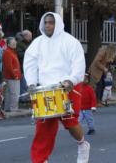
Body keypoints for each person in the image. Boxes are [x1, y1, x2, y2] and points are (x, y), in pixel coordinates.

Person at [24, 12, 90, 163]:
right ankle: (40, 159)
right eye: (46, 22)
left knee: (70, 121)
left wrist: (71, 80)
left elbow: (78, 64)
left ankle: (82, 144)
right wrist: (32, 84)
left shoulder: (70, 41)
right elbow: (30, 65)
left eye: (51, 22)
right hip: (45, 89)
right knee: (43, 128)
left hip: (67, 87)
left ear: (58, 24)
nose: (48, 25)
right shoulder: (37, 43)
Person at [2, 37, 21, 112]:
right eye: (13, 43)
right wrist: (15, 76)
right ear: (8, 44)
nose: (15, 43)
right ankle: (13, 109)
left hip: (12, 76)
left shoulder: (10, 51)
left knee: (10, 93)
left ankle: (8, 109)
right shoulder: (8, 52)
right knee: (14, 94)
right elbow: (8, 66)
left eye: (15, 42)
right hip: (12, 77)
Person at [16, 29, 32, 95]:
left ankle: (26, 94)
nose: (31, 38)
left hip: (29, 65)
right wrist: (28, 52)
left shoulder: (30, 42)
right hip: (22, 65)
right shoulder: (19, 43)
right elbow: (19, 54)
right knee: (23, 81)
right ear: (25, 36)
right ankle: (23, 96)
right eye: (30, 36)